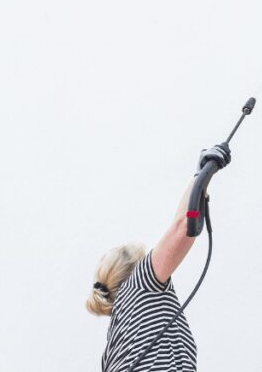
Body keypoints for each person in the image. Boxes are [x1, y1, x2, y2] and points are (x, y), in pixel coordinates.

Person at [87, 144, 231, 372]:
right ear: (136, 267)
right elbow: (184, 226)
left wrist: (201, 178)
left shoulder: (116, 341)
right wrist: (201, 175)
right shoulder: (138, 286)